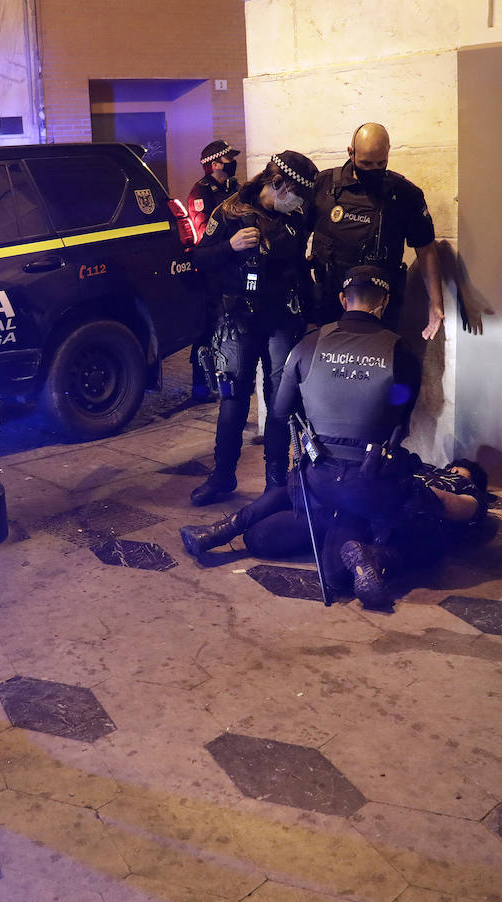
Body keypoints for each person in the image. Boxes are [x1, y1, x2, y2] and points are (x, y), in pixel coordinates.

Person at [181, 265, 423, 603]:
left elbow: (281, 411)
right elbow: (400, 412)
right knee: (323, 561)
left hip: (317, 477)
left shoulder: (308, 345)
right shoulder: (401, 353)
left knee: (269, 533)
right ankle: (351, 546)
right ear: (383, 302)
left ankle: (220, 531)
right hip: (368, 483)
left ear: (343, 299)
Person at [182, 453, 490, 609]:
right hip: (353, 510)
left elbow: (464, 508)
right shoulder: (420, 468)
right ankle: (220, 531)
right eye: (451, 468)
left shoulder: (466, 488)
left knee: (337, 576)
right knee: (260, 537)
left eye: (458, 473)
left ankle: (370, 558)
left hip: (395, 524)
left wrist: (424, 493)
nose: (450, 472)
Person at [188, 151, 320, 506]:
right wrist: (229, 247)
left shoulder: (297, 215)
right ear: (276, 183)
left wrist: (312, 315)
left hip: (282, 318)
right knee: (232, 400)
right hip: (238, 319)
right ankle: (222, 476)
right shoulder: (229, 212)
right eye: (294, 193)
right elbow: (198, 259)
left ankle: (275, 484)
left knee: (279, 402)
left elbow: (301, 268)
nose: (297, 203)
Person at [309, 123, 444, 338]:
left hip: (379, 304)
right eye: (365, 163)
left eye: (381, 163)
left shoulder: (405, 195)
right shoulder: (324, 185)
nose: (373, 169)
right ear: (350, 153)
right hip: (329, 298)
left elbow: (426, 249)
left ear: (389, 152)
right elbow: (298, 237)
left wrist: (436, 304)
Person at [185, 139, 241, 400]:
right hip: (212, 271)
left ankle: (234, 375)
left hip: (235, 266)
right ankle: (199, 387)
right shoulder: (201, 193)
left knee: (235, 326)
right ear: (216, 163)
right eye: (228, 159)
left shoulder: (234, 188)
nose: (233, 163)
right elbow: (203, 234)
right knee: (207, 330)